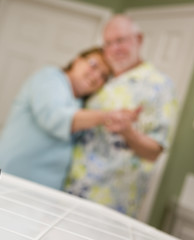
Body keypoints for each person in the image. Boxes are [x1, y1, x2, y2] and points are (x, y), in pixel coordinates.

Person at [64, 15, 178, 218]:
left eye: (120, 40)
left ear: (139, 39)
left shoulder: (160, 86)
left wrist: (127, 132)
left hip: (108, 204)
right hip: (68, 188)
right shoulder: (101, 77)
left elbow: (154, 151)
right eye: (108, 43)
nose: (114, 49)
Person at [0, 47, 139, 190]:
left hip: (41, 192)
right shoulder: (49, 78)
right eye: (94, 65)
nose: (96, 76)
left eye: (103, 76)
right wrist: (107, 116)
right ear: (77, 60)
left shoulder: (82, 105)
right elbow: (55, 118)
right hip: (5, 178)